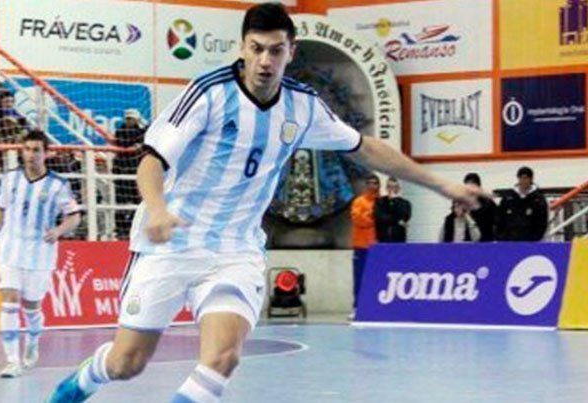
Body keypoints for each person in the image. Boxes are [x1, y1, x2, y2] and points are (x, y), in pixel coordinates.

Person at [48, 4, 482, 402]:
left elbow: (365, 148)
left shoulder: (303, 106)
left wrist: (442, 185)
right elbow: (151, 161)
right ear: (242, 47)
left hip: (234, 250)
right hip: (171, 243)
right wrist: (158, 209)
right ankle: (78, 385)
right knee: (127, 363)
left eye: (275, 50)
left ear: (291, 51)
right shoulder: (208, 93)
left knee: (222, 358)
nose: (265, 61)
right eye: (256, 49)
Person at [0, 129, 82, 378]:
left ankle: (32, 340)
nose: (31, 155)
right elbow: (0, 210)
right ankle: (12, 360)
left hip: (40, 253)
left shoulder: (58, 185)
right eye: (27, 149)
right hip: (10, 248)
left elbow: (74, 216)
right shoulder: (10, 178)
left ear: (46, 153)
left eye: (36, 150)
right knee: (9, 300)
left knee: (32, 306)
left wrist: (58, 230)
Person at [113, 108, 147, 239]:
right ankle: (121, 230)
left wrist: (140, 143)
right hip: (122, 171)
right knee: (120, 203)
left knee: (137, 202)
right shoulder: (121, 131)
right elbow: (124, 142)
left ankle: (136, 228)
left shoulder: (142, 131)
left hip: (136, 171)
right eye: (128, 119)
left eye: (132, 119)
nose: (129, 121)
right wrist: (138, 143)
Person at [350, 174, 379, 311]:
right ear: (366, 185)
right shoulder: (359, 202)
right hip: (361, 246)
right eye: (370, 183)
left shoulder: (381, 202)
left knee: (377, 278)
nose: (373, 186)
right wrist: (372, 217)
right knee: (360, 278)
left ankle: (374, 306)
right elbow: (358, 220)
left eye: (375, 183)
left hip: (377, 247)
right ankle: (357, 306)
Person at [496, 166, 548, 241]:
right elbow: (500, 218)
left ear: (531, 179)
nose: (524, 181)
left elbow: (542, 221)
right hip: (509, 240)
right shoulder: (508, 197)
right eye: (521, 178)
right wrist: (501, 237)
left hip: (530, 240)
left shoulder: (538, 199)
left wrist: (536, 238)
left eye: (526, 178)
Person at [374, 176, 411, 243]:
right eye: (389, 187)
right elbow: (380, 218)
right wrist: (398, 221)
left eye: (394, 187)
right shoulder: (380, 202)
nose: (392, 189)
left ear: (398, 189)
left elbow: (404, 217)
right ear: (386, 188)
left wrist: (394, 200)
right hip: (382, 239)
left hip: (399, 239)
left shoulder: (405, 203)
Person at [462, 172, 496, 242]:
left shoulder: (488, 203)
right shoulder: (462, 203)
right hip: (467, 243)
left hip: (485, 242)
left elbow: (496, 223)